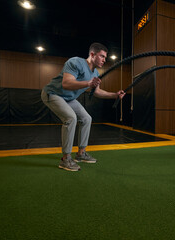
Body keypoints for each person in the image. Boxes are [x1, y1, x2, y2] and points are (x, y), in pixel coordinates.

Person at [41, 42, 125, 171]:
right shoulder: (75, 62)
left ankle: (80, 154)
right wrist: (88, 83)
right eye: (102, 56)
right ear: (92, 54)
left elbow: (97, 92)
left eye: (105, 57)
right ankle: (66, 159)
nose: (104, 60)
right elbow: (66, 84)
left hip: (69, 98)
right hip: (53, 94)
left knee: (86, 118)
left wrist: (115, 95)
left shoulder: (95, 73)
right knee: (71, 118)